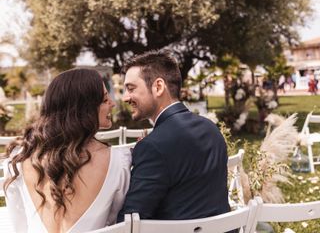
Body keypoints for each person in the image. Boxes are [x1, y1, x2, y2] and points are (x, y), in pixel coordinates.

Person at [3, 68, 131, 232]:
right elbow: (115, 224)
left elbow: (19, 227)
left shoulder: (19, 159)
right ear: (84, 108)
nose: (112, 103)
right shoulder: (119, 161)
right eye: (105, 99)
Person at [118, 50, 230, 221]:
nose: (125, 98)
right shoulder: (211, 129)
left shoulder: (152, 146)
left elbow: (132, 220)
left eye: (131, 88)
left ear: (158, 87)